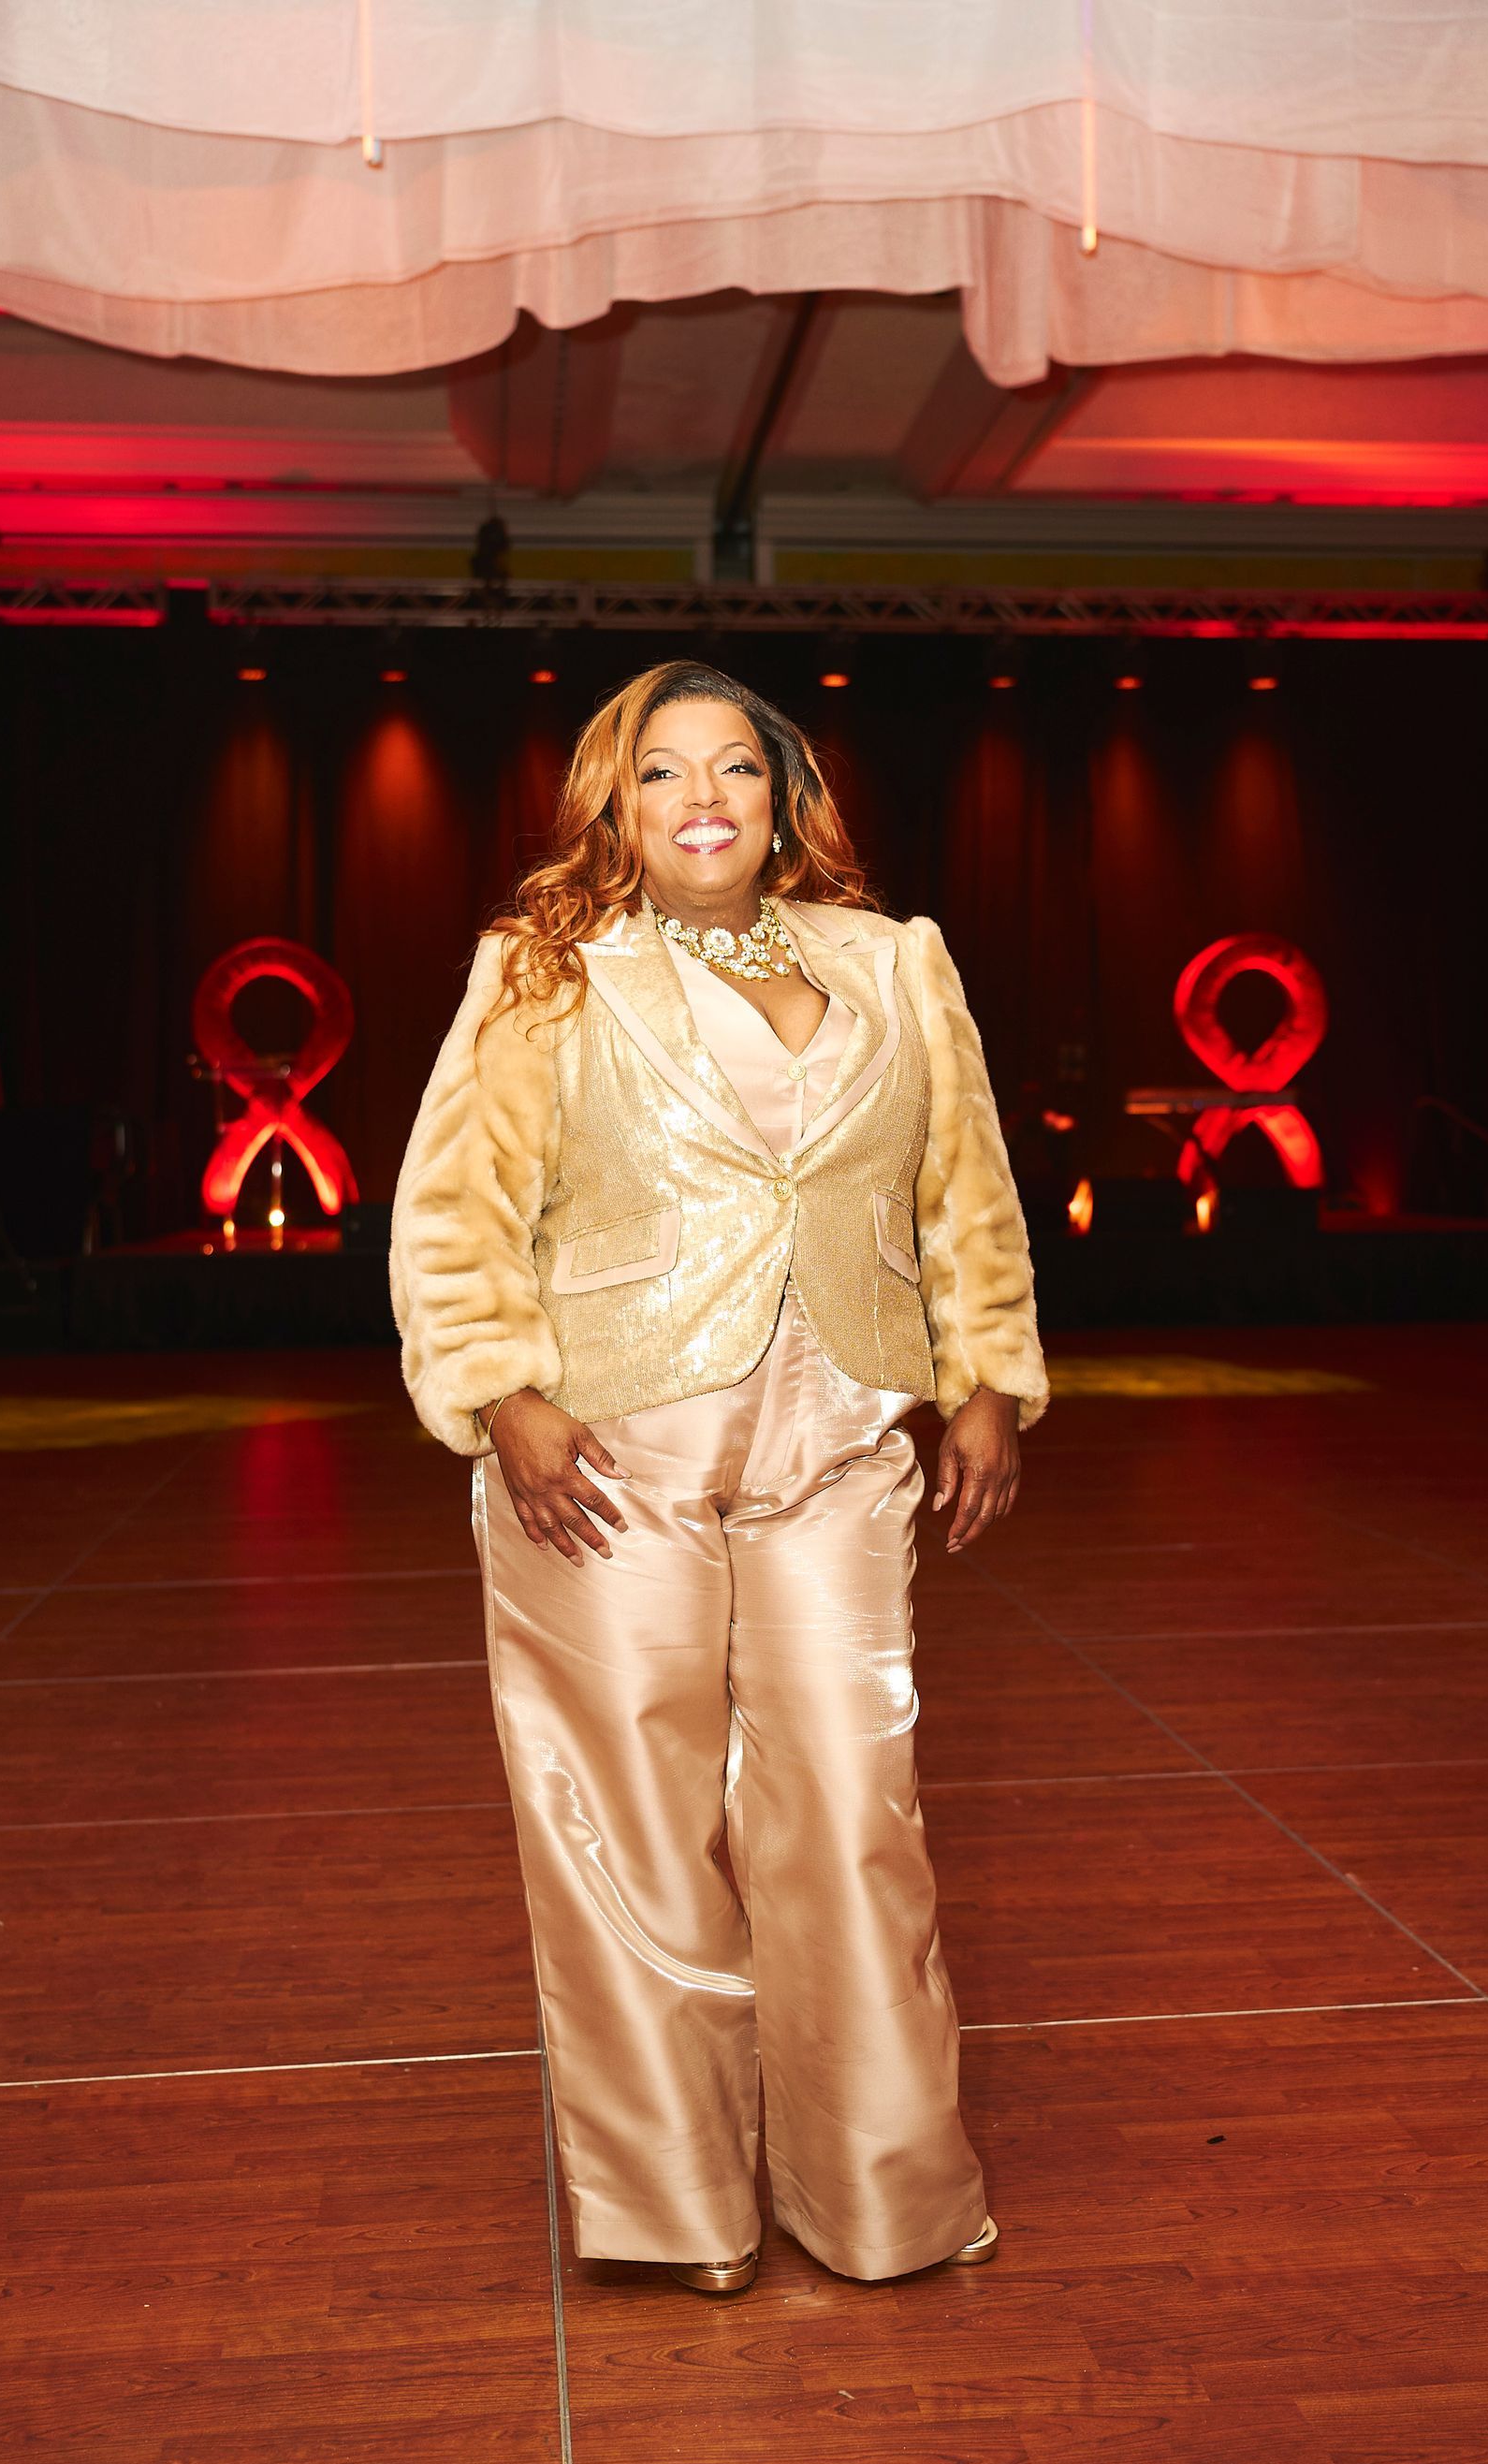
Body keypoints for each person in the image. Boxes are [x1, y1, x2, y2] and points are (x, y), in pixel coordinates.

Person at [390, 660, 1047, 2296]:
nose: (703, 799)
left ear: (783, 795)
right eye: (664, 770)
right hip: (608, 1453)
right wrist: (500, 1396)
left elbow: (965, 1186)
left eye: (737, 768)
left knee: (855, 1813)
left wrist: (987, 1376)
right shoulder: (545, 967)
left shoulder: (893, 959)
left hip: (841, 1440)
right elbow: (457, 1206)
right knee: (635, 1827)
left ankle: (881, 2194)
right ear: (616, 804)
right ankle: (681, 2207)